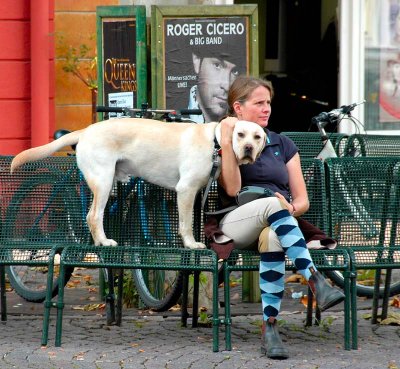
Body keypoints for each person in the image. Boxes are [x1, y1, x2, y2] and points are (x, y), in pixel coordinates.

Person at [217, 75, 345, 360]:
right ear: (238, 108)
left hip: (277, 224)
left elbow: (302, 201)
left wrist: (289, 208)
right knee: (272, 204)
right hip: (235, 224)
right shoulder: (230, 138)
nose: (267, 109)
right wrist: (228, 140)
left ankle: (270, 328)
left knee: (275, 234)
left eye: (268, 103)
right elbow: (233, 189)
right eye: (259, 103)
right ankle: (314, 279)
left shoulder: (282, 144)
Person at [188, 47, 245, 123]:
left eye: (235, 71)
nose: (227, 86)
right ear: (197, 60)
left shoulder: (242, 122)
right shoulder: (175, 113)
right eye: (217, 65)